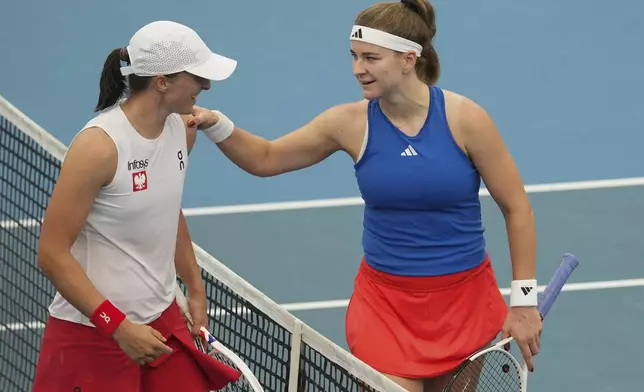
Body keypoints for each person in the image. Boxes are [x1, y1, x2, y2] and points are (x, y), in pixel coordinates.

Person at [190, 1, 542, 391]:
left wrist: (524, 300)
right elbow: (267, 157)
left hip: (464, 304)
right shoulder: (348, 123)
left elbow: (517, 208)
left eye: (371, 58)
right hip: (386, 311)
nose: (358, 68)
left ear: (408, 59)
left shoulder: (466, 119)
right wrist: (217, 125)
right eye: (355, 57)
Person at [33, 20, 242, 392]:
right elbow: (51, 253)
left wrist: (194, 288)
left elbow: (166, 210)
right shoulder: (99, 147)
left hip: (161, 324)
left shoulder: (183, 128)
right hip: (94, 336)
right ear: (162, 82)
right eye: (197, 77)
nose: (206, 86)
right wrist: (118, 326)